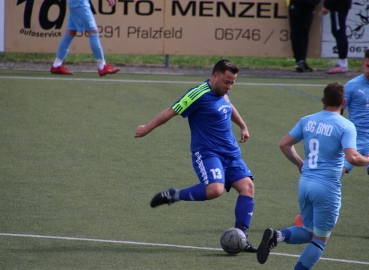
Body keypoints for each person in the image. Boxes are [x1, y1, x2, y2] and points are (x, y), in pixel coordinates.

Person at [134, 59, 257, 252]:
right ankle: (175, 195)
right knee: (214, 191)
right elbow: (171, 111)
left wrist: (243, 125)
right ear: (215, 76)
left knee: (248, 187)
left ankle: (241, 237)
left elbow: (228, 106)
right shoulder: (197, 94)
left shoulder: (223, 93)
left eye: (232, 83)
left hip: (231, 154)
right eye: (227, 82)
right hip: (208, 153)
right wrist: (147, 128)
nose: (229, 86)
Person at [256, 82, 369, 269]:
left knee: (308, 231)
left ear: (323, 100)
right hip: (326, 187)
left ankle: (278, 236)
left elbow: (284, 144)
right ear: (344, 101)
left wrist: (301, 164)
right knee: (320, 239)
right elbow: (352, 157)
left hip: (305, 183)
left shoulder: (307, 120)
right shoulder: (346, 125)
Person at [50, 0, 120, 76]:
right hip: (80, 3)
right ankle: (102, 66)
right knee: (93, 32)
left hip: (75, 2)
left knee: (71, 32)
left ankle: (56, 65)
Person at [341, 49, 369, 176]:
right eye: (368, 66)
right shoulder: (351, 86)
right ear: (363, 63)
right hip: (354, 139)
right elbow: (336, 112)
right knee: (335, 172)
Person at [288, 0, 320, 72]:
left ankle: (301, 61)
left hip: (310, 4)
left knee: (304, 34)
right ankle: (299, 61)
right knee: (296, 33)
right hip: (297, 3)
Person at [322, 0, 352, 74]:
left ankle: (342, 64)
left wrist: (327, 5)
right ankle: (342, 63)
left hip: (338, 6)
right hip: (340, 6)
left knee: (339, 32)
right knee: (338, 32)